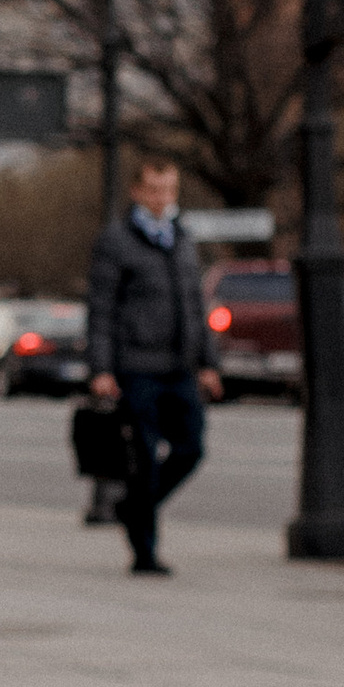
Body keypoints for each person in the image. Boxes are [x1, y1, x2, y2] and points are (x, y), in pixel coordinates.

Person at [85, 149, 221, 578]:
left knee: (191, 448)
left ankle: (132, 508)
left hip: (180, 366)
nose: (164, 197)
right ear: (138, 191)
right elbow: (101, 309)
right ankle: (145, 551)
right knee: (142, 457)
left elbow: (197, 306)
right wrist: (101, 369)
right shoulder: (116, 241)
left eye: (170, 189)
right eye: (155, 189)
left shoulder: (182, 238)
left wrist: (208, 362)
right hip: (136, 365)